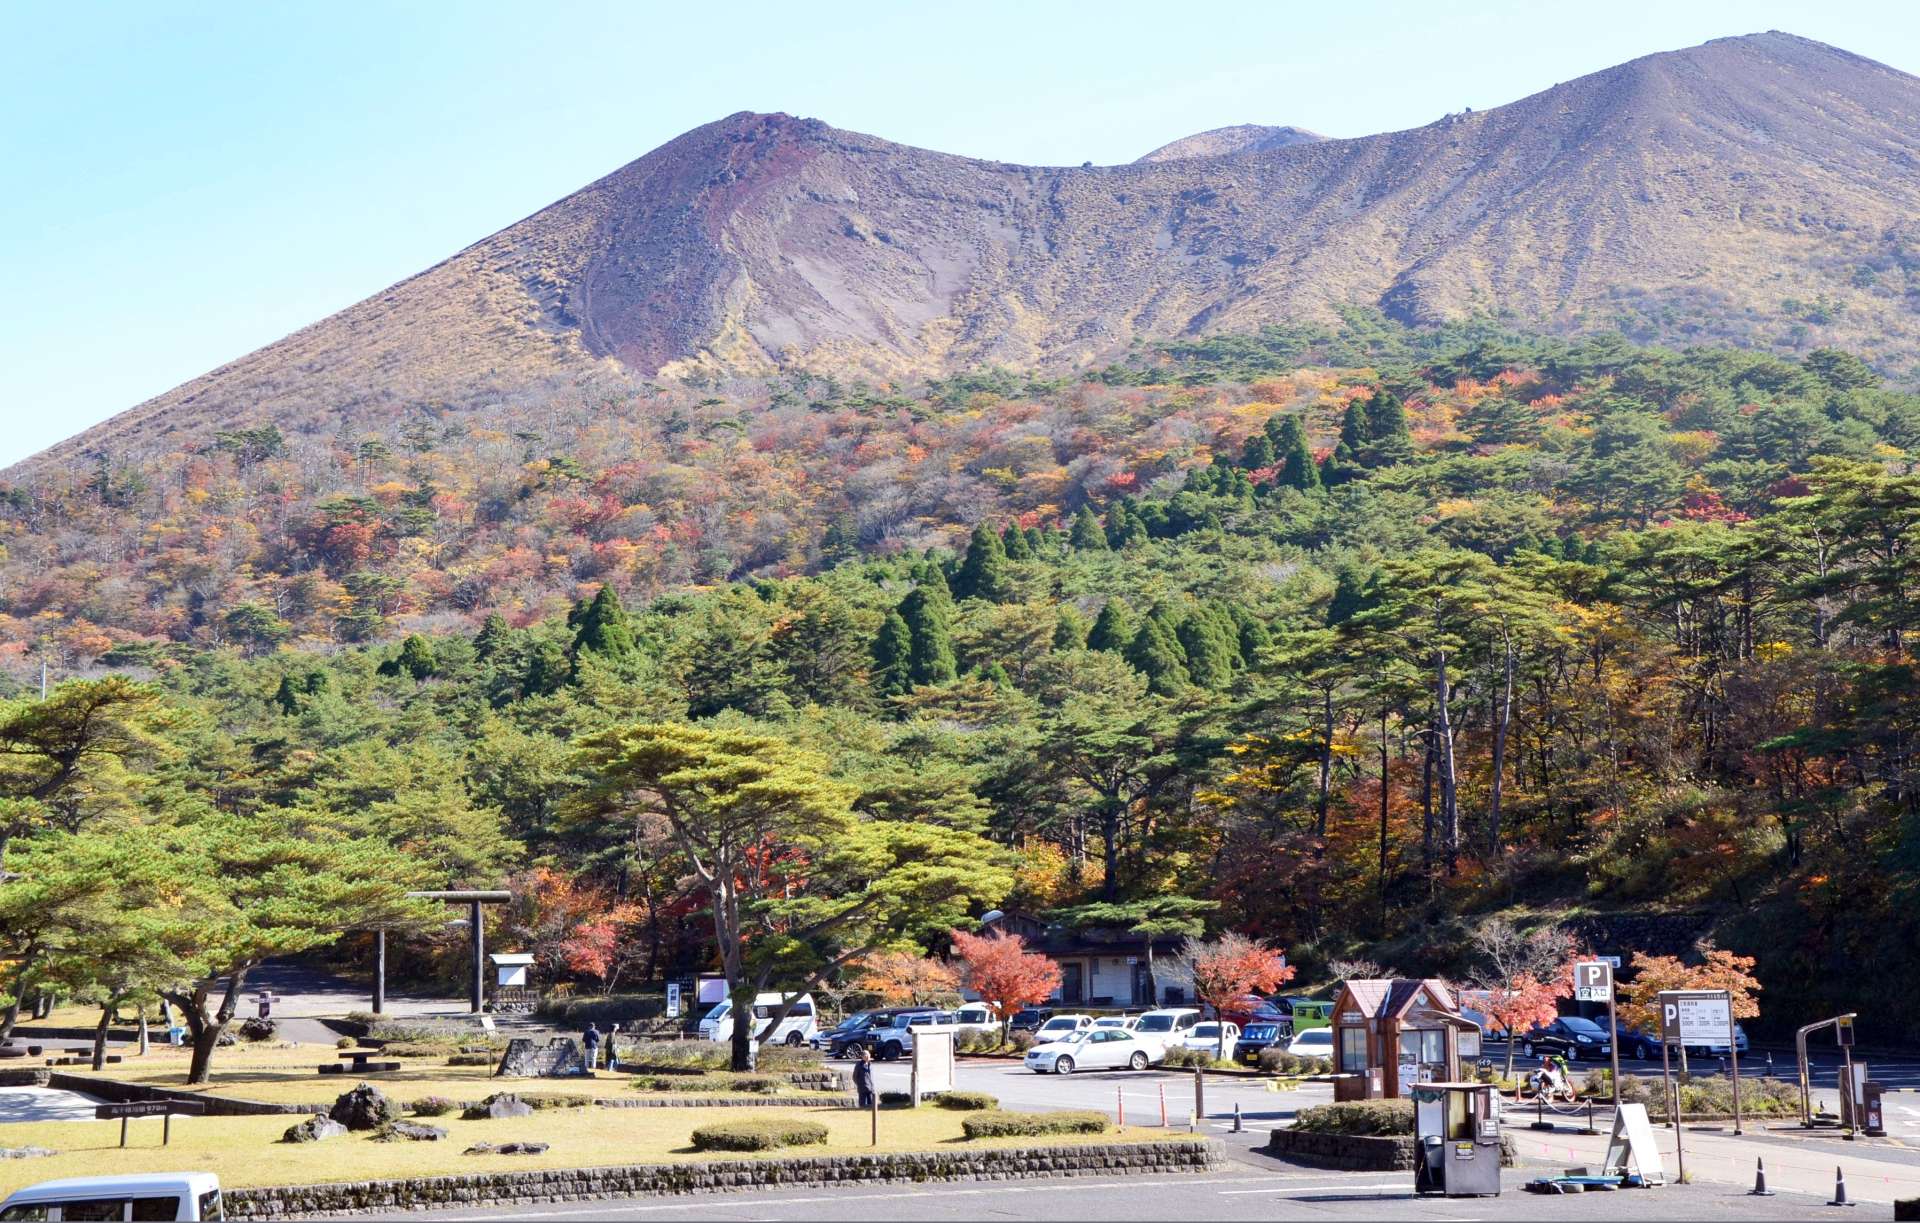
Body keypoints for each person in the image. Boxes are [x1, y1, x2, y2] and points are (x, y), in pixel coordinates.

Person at [853, 1045, 875, 1109]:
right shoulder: (859, 1065)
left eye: (869, 1055)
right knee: (862, 1105)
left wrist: (872, 1086)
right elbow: (854, 1077)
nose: (868, 1056)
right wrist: (859, 1084)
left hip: (871, 1088)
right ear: (862, 1056)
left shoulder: (870, 1064)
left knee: (871, 1106)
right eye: (866, 1055)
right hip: (862, 1088)